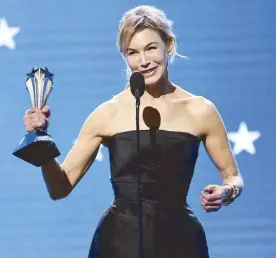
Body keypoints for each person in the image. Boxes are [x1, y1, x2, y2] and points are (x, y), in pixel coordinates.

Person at [24, 5, 244, 258]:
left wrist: (227, 191)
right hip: (118, 243)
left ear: (168, 45)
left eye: (151, 48)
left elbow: (233, 175)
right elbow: (59, 188)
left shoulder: (200, 110)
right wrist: (41, 143)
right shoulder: (108, 112)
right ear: (124, 56)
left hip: (181, 242)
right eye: (133, 53)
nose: (144, 61)